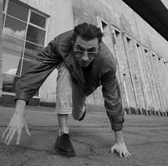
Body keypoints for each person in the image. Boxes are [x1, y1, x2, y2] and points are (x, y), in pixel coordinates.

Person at [2, 23, 131, 158]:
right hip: (71, 76)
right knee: (64, 68)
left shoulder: (107, 62)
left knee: (77, 115)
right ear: (72, 43)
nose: (85, 57)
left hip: (87, 87)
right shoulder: (61, 44)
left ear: (99, 48)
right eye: (80, 50)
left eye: (91, 51)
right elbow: (37, 68)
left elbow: (113, 98)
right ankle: (63, 132)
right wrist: (19, 109)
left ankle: (81, 108)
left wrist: (119, 140)